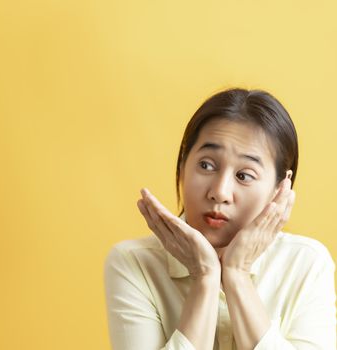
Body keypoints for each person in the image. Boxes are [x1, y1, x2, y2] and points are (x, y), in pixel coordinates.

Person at [103, 88, 336, 350]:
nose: (220, 192)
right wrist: (205, 276)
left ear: (279, 188)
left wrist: (237, 275)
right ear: (182, 166)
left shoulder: (305, 263)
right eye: (206, 165)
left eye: (244, 175)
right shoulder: (134, 263)